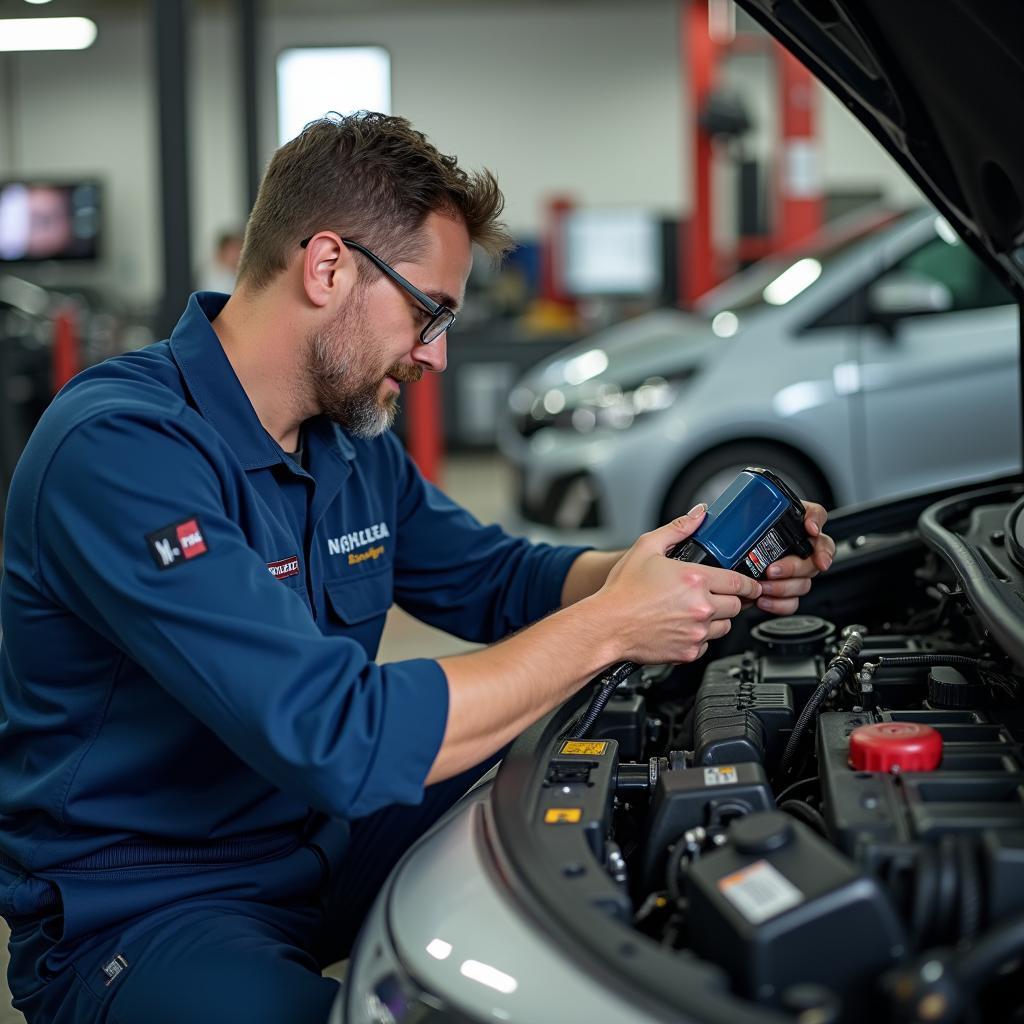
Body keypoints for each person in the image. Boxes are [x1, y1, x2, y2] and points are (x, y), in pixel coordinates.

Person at [0, 112, 835, 1024]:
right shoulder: (122, 449)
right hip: (148, 906)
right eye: (427, 311)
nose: (436, 353)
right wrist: (611, 627)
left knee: (583, 756)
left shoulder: (348, 444)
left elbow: (498, 580)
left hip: (315, 840)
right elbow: (335, 735)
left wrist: (670, 575)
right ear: (327, 268)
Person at [199, 228, 245, 293]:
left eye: (239, 249)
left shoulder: (241, 275)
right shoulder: (211, 277)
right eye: (233, 250)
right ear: (222, 252)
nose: (237, 254)